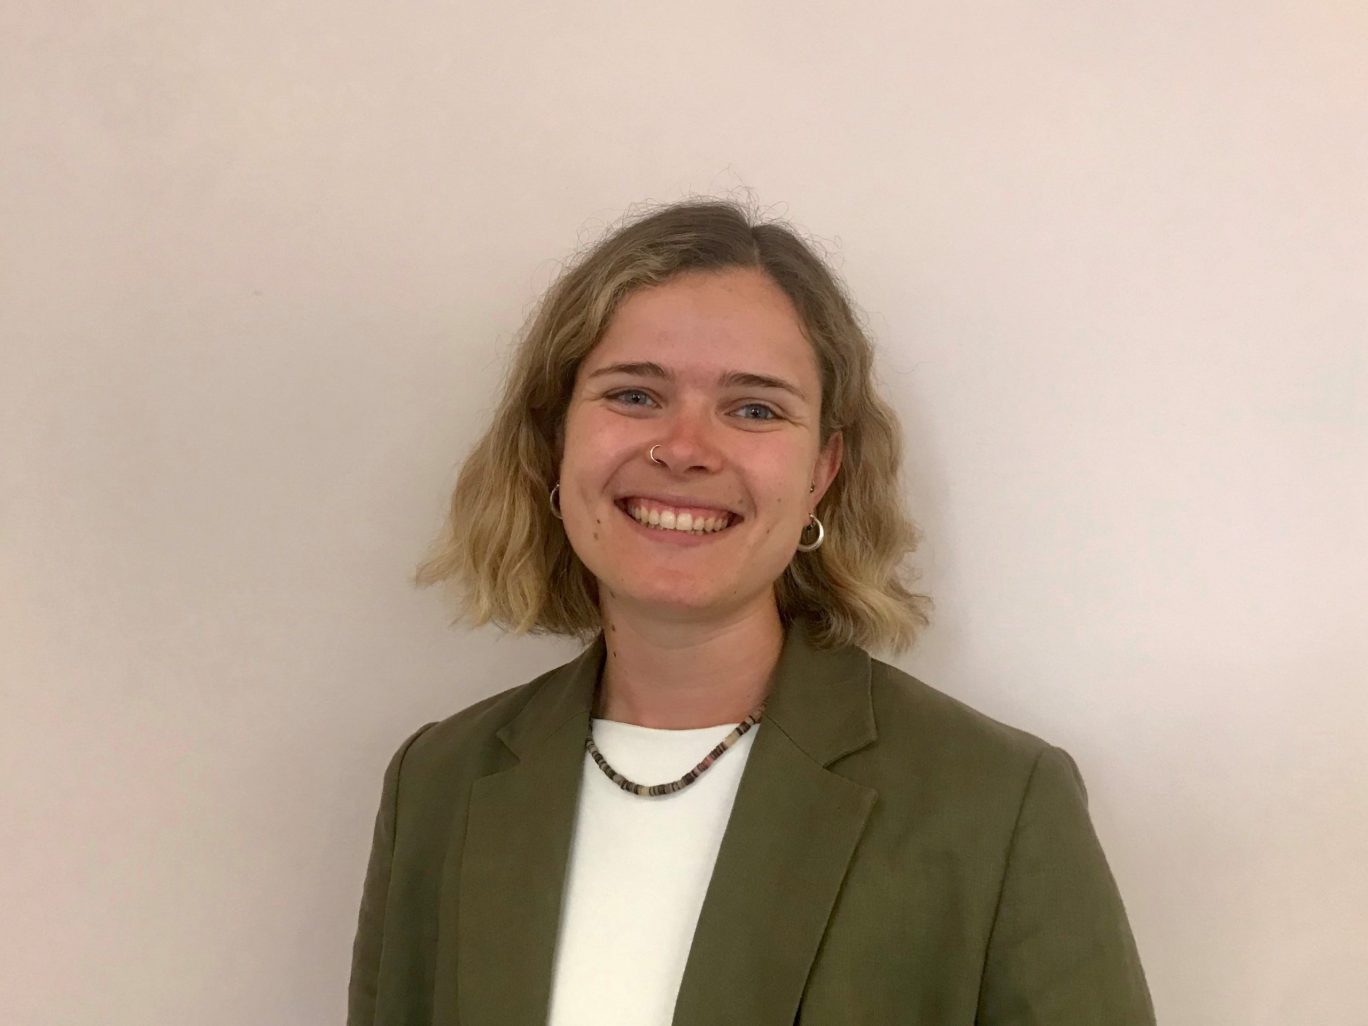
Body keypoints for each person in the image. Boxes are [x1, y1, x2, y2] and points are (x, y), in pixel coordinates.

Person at [347, 200, 1156, 1025]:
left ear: (822, 471)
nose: (684, 448)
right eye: (634, 394)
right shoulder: (438, 784)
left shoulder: (995, 803)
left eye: (756, 409)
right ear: (558, 438)